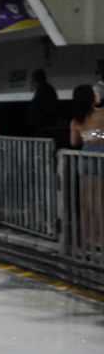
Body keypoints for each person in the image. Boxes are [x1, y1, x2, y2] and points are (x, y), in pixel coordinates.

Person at [70, 84, 104, 255]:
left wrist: (87, 136)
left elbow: (74, 143)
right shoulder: (102, 113)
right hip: (100, 158)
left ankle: (88, 239)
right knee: (99, 202)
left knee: (87, 202)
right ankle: (99, 240)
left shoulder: (76, 120)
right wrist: (99, 134)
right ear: (91, 98)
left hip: (84, 159)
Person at [27, 69, 60, 133]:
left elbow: (48, 107)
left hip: (43, 126)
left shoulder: (43, 90)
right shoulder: (47, 89)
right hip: (43, 124)